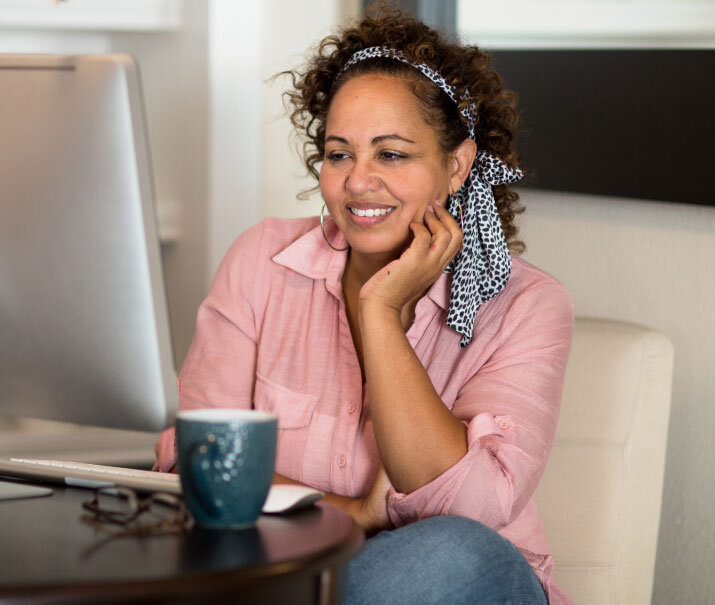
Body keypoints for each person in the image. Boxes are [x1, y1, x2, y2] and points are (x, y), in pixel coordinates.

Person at [154, 6, 573, 604]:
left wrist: (380, 313)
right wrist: (348, 514)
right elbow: (192, 458)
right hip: (287, 576)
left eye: (392, 154)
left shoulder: (529, 306)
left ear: (456, 166)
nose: (357, 182)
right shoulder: (261, 262)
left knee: (453, 549)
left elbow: (465, 508)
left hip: (458, 584)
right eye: (339, 153)